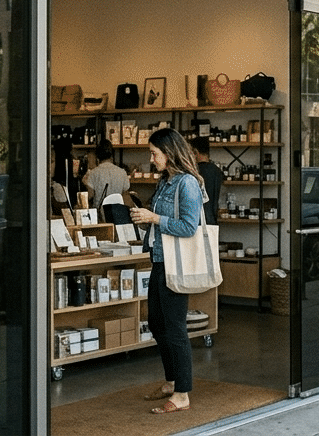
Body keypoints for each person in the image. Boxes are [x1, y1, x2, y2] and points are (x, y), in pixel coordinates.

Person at [127, 128, 204, 415]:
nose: (151, 158)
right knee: (157, 324)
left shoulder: (187, 184)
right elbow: (164, 222)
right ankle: (172, 381)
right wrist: (146, 220)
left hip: (176, 262)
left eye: (154, 153)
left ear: (169, 153)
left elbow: (188, 226)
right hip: (160, 259)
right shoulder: (166, 182)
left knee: (174, 329)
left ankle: (183, 393)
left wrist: (155, 218)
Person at [82, 139, 129, 209]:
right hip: (117, 213)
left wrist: (85, 184)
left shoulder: (93, 173)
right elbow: (126, 197)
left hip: (100, 213)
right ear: (112, 154)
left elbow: (90, 195)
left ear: (97, 156)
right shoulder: (122, 172)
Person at [190, 136, 225, 224]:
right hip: (212, 220)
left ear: (195, 151)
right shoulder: (217, 171)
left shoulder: (193, 172)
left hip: (195, 221)